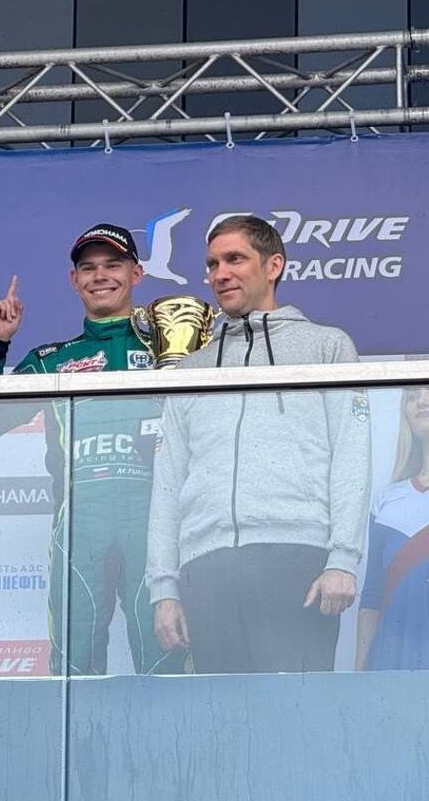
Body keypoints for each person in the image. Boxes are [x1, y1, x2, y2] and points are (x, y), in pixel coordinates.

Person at [0, 223, 184, 677]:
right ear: (74, 280)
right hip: (80, 526)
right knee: (72, 671)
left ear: (137, 274)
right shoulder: (52, 360)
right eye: (88, 268)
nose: (100, 276)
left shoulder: (174, 349)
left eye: (113, 265)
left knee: (168, 664)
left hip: (159, 522)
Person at [147, 215, 370, 674]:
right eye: (212, 264)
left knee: (296, 710)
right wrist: (165, 588)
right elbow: (168, 484)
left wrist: (343, 560)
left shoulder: (326, 346)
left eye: (235, 259)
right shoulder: (191, 370)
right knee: (222, 714)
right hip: (205, 568)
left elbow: (352, 457)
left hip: (297, 558)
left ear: (273, 266)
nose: (220, 273)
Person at [356, 386, 429, 671]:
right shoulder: (386, 501)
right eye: (412, 396)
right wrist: (360, 673)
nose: (421, 401)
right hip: (393, 658)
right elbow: (372, 594)